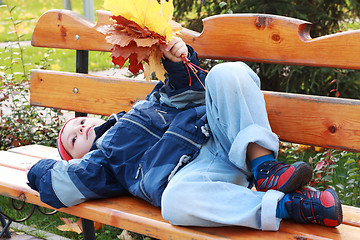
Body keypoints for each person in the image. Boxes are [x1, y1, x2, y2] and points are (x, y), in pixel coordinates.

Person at [27, 37, 343, 231]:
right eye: (72, 138)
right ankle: (289, 207)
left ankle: (265, 169)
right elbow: (62, 185)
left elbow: (182, 92)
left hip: (225, 138)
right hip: (195, 176)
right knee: (174, 203)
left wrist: (177, 61)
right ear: (76, 158)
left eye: (79, 122)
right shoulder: (101, 164)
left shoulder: (137, 110)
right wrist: (36, 170)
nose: (80, 127)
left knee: (227, 72)